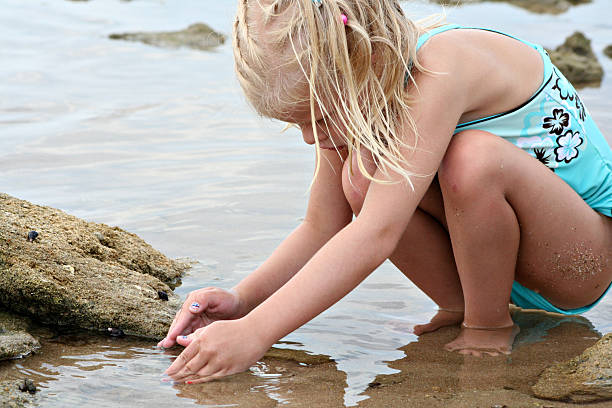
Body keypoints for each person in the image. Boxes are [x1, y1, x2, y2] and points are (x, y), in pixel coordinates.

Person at [159, 0, 612, 384]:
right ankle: (460, 308)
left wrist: (259, 333)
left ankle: (490, 323)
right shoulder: (358, 86)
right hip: (499, 265)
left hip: (578, 260)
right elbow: (323, 225)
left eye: (316, 118)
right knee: (360, 175)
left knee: (472, 159)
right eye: (296, 124)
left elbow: (377, 233)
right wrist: (242, 303)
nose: (309, 139)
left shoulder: (444, 64)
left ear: (365, 59)